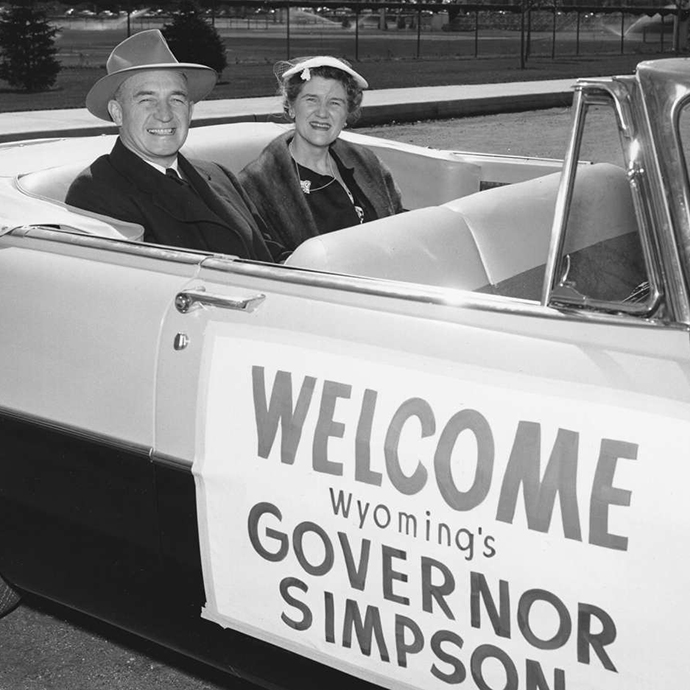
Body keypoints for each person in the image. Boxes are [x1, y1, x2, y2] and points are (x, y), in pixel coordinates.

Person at [66, 30, 279, 262]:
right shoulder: (96, 191)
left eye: (176, 100)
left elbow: (271, 252)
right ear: (117, 113)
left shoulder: (218, 174)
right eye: (147, 100)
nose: (165, 115)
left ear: (190, 111)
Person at [238, 56, 404, 254]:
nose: (322, 113)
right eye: (311, 100)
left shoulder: (368, 165)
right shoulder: (257, 185)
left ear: (346, 116)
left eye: (335, 103)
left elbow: (398, 227)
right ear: (291, 107)